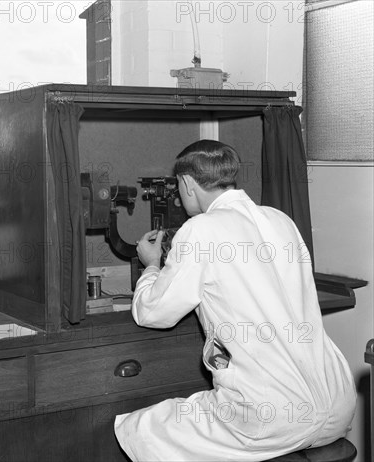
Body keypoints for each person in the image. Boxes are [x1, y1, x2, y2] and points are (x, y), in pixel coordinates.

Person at [114, 140, 356, 461]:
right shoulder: (280, 219)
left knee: (138, 428)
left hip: (272, 417)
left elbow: (154, 313)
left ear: (186, 183)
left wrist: (152, 265)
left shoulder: (199, 229)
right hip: (337, 404)